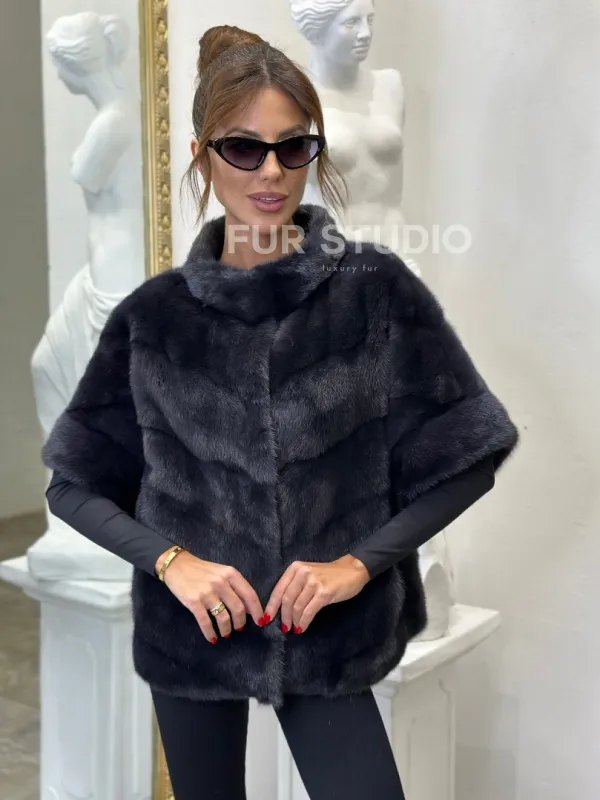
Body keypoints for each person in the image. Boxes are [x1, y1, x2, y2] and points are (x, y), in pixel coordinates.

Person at [41, 25, 519, 800]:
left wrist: (356, 564)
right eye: (243, 148)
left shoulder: (372, 292)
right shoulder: (155, 318)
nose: (271, 170)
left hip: (325, 631)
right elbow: (72, 485)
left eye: (293, 147)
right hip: (194, 629)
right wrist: (174, 563)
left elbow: (469, 457)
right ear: (202, 156)